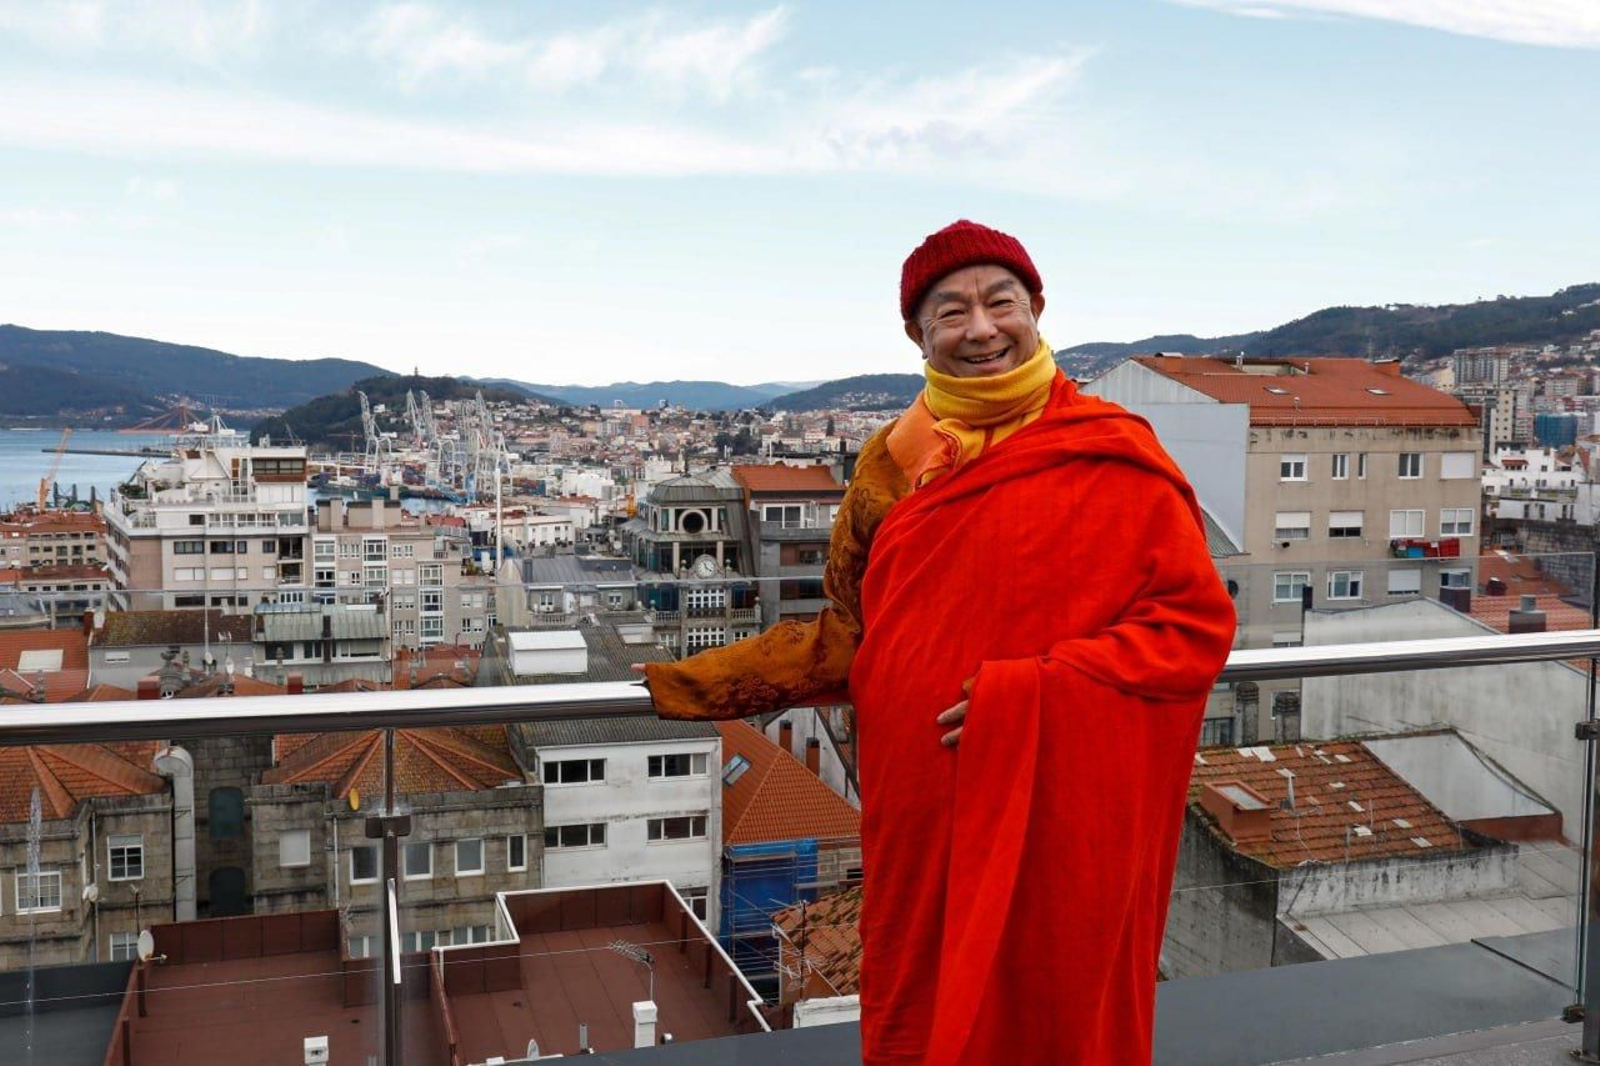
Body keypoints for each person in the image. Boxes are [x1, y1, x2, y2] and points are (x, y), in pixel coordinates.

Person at [638, 220, 1236, 1064]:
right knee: (922, 1002)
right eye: (951, 311)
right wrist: (698, 683)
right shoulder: (890, 463)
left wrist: (1041, 689)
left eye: (1001, 302)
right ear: (918, 334)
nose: (982, 328)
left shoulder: (1113, 452)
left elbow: (1191, 626)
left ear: (1036, 308)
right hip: (920, 795)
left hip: (1056, 791)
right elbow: (854, 633)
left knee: (1053, 994)